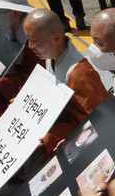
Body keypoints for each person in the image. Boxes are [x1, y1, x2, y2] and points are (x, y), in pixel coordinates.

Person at [22, 9, 109, 156]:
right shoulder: (50, 58)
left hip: (78, 133)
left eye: (34, 41)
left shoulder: (80, 74)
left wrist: (74, 142)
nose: (30, 46)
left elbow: (101, 119)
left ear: (56, 38)